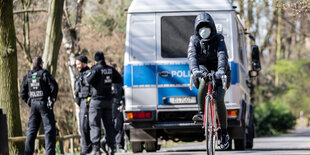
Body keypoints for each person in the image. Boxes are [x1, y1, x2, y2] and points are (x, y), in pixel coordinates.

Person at [187, 12, 231, 150]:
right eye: (201, 27)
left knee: (219, 99)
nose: (204, 30)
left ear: (212, 27)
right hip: (202, 69)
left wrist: (221, 72)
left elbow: (222, 56)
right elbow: (192, 56)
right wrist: (195, 71)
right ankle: (200, 112)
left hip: (220, 71)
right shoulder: (193, 40)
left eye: (207, 26)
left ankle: (224, 134)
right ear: (196, 29)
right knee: (202, 83)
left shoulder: (219, 39)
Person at [86, 51, 123, 155]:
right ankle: (111, 148)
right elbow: (119, 79)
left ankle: (96, 149)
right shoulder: (110, 69)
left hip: (97, 101)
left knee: (95, 125)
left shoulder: (96, 69)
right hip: (108, 101)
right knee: (109, 125)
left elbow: (88, 80)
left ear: (95, 60)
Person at [20, 56, 58, 155]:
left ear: (33, 64)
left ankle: (27, 153)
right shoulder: (44, 74)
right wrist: (52, 99)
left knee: (31, 130)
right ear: (41, 64)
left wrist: (29, 102)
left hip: (33, 104)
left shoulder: (28, 75)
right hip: (44, 103)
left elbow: (22, 93)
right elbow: (54, 87)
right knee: (49, 129)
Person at [74, 55, 92, 154]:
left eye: (79, 64)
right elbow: (77, 90)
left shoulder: (88, 74)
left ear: (84, 63)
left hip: (87, 102)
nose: (77, 66)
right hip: (81, 103)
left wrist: (86, 101)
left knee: (84, 126)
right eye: (76, 64)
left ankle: (87, 149)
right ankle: (86, 147)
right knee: (82, 126)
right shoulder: (80, 75)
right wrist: (77, 102)